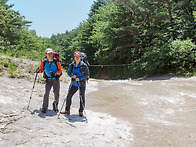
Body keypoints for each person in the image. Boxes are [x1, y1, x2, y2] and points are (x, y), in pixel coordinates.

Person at [60, 51, 89, 116]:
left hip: (82, 84)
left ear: (80, 57)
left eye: (78, 56)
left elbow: (87, 74)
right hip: (74, 83)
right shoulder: (72, 65)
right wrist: (71, 76)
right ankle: (67, 110)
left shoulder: (84, 65)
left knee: (82, 97)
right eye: (76, 57)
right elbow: (69, 72)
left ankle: (81, 111)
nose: (77, 58)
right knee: (69, 96)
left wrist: (80, 78)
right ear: (74, 57)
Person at [37, 48, 62, 113]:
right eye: (49, 54)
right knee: (46, 93)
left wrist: (55, 74)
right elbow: (42, 70)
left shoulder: (56, 61)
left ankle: (55, 105)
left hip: (55, 79)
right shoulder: (44, 62)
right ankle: (45, 107)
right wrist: (38, 71)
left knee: (56, 94)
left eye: (51, 53)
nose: (50, 55)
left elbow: (60, 70)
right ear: (46, 54)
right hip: (48, 80)